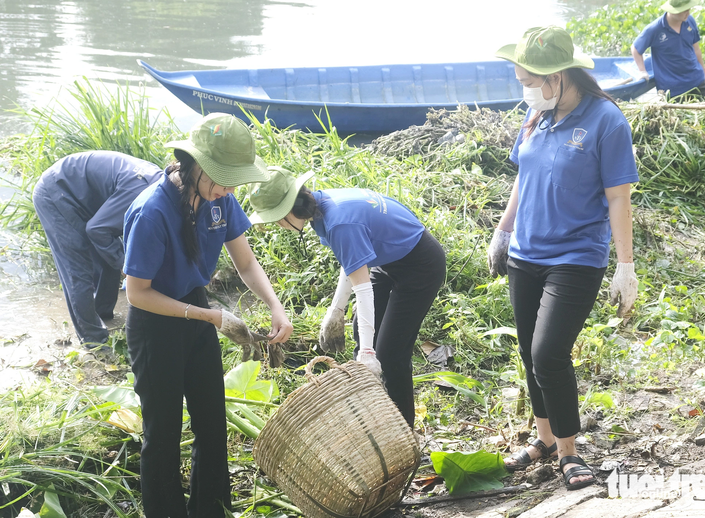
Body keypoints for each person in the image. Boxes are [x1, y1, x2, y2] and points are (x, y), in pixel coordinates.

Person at [123, 113, 293, 518]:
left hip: (196, 310)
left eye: (233, 180)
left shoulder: (221, 201)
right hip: (156, 322)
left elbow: (246, 264)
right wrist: (212, 317)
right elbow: (137, 293)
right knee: (162, 435)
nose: (228, 189)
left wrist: (275, 306)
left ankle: (211, 512)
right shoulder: (152, 212)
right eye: (220, 178)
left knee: (212, 426)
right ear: (192, 165)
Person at [491, 26, 639, 491]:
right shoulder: (537, 115)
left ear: (557, 76)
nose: (525, 89)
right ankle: (546, 439)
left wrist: (625, 265)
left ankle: (570, 453)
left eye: (529, 81)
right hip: (525, 253)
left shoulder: (605, 121)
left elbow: (618, 197)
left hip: (576, 255)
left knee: (547, 352)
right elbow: (523, 176)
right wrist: (502, 229)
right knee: (527, 350)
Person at [247, 167, 446, 428]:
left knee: (389, 354)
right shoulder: (322, 207)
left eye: (276, 218)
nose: (278, 225)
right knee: (361, 333)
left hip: (419, 264)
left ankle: (403, 431)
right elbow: (352, 260)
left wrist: (368, 352)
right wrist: (336, 310)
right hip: (387, 260)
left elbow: (362, 289)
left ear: (290, 209)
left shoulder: (338, 221)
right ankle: (373, 414)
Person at [32, 150, 163, 350]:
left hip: (87, 198)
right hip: (57, 193)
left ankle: (103, 315)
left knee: (109, 255)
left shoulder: (161, 191)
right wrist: (126, 265)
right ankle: (94, 343)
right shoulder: (143, 193)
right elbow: (97, 229)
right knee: (78, 271)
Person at [631, 0, 705, 99]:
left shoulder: (690, 21)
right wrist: (642, 71)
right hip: (672, 89)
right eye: (684, 10)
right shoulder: (655, 29)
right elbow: (636, 49)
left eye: (688, 9)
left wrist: (704, 73)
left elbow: (696, 49)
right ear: (673, 11)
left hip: (696, 81)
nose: (687, 13)